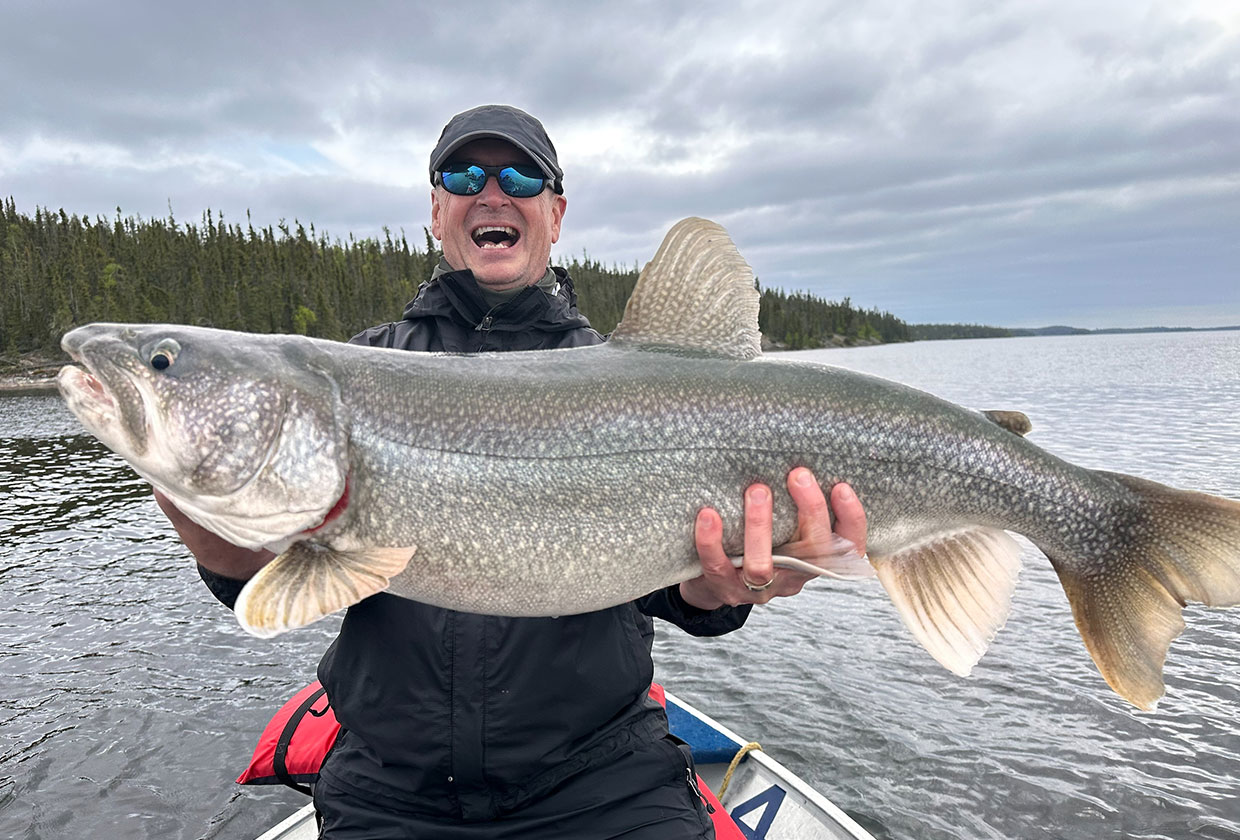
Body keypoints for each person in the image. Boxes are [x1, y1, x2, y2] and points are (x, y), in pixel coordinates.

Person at [156, 104, 868, 839]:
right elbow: (264, 584)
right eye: (464, 176)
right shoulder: (355, 372)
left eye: (520, 175)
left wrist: (726, 588)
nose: (492, 192)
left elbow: (687, 596)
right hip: (390, 787)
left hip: (601, 780)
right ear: (437, 211)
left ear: (555, 214)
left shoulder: (643, 385)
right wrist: (200, 509)